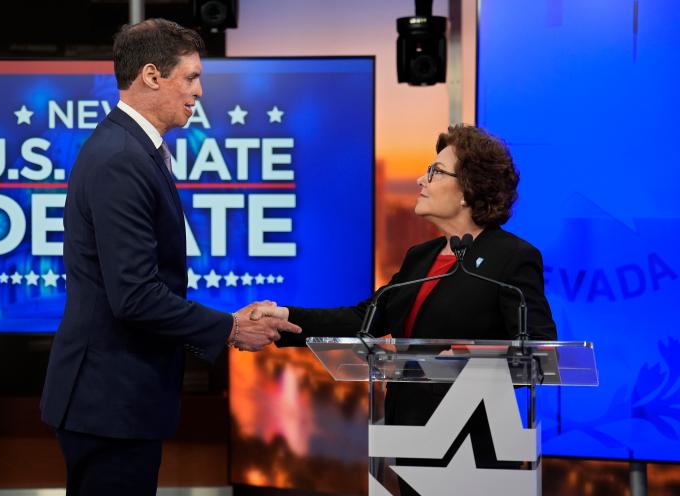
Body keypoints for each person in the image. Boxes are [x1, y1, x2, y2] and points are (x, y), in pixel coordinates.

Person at [40, 19, 300, 496]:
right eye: (191, 77)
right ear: (152, 76)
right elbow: (135, 296)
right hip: (108, 402)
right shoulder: (121, 156)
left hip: (119, 400)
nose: (200, 91)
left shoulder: (132, 149)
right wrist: (229, 327)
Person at [255, 124, 557, 491]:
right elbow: (364, 319)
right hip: (412, 438)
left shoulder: (512, 258)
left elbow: (538, 349)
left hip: (476, 447)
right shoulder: (421, 257)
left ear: (467, 191)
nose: (420, 179)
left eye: (435, 171)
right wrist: (285, 318)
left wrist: (468, 357)